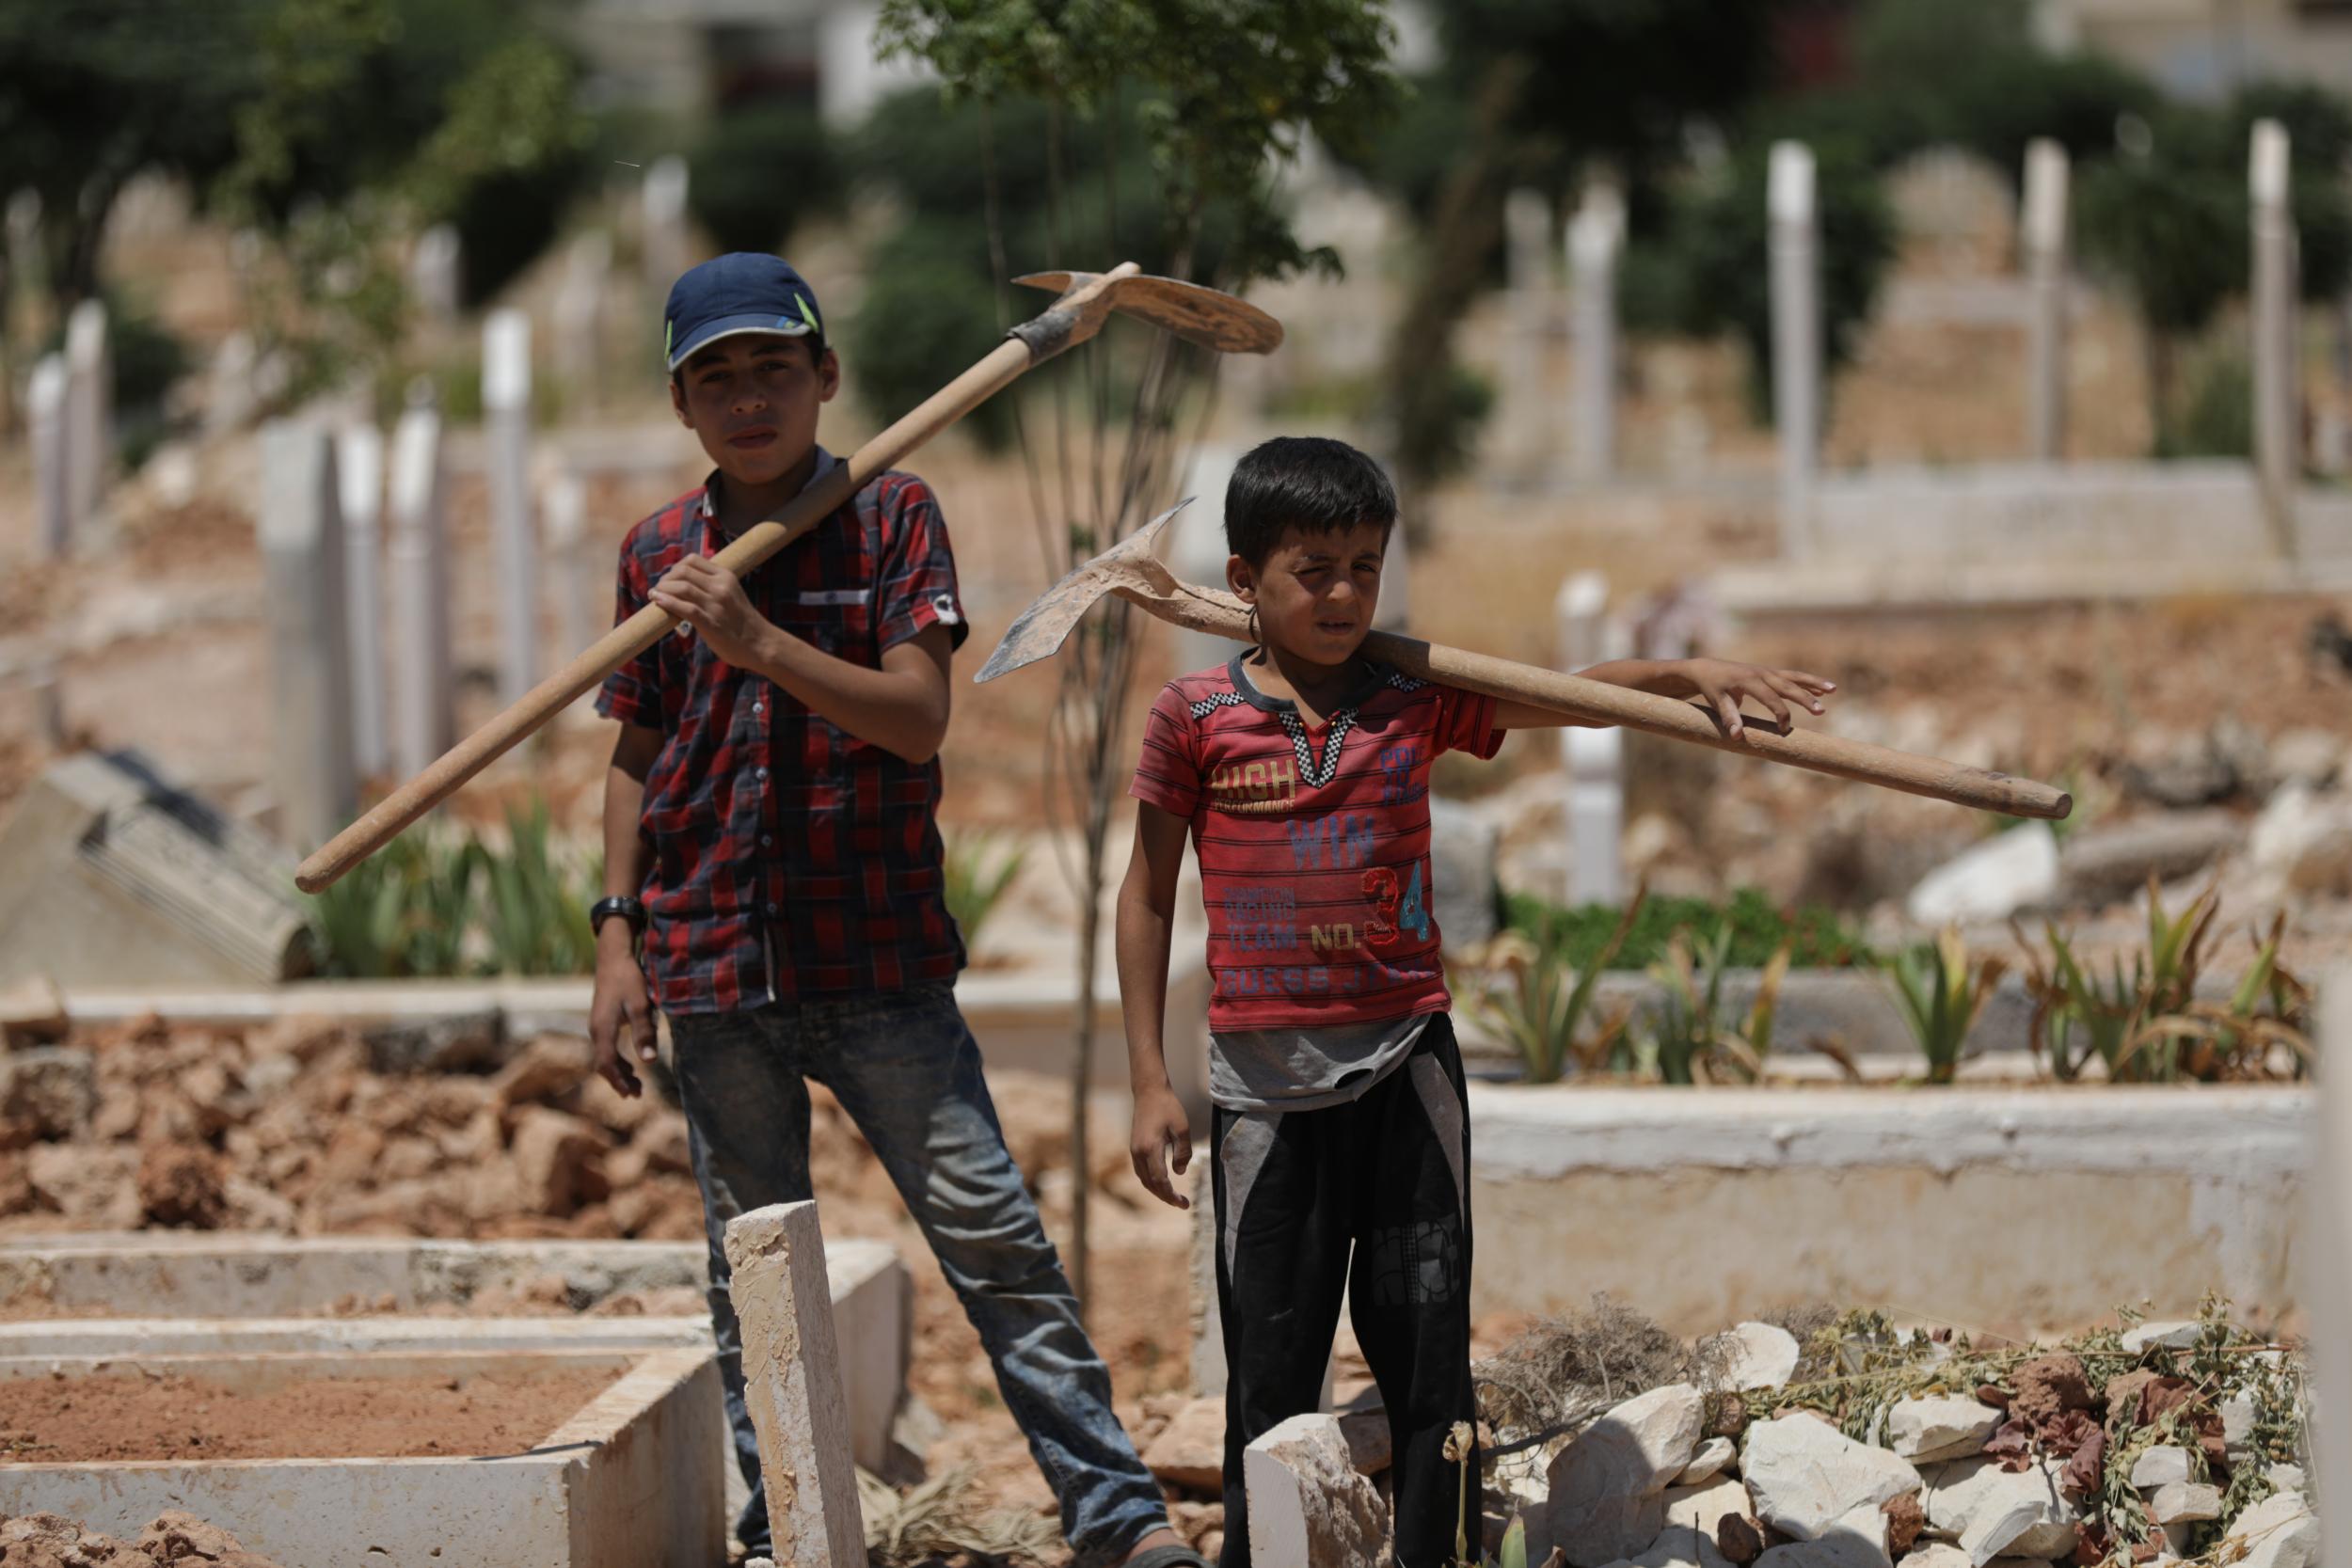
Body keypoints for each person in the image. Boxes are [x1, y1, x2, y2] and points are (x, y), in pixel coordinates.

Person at [1114, 436, 1836, 1568]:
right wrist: (1149, 1079)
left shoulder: (1416, 699)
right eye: (1315, 569)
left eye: (1366, 564)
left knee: (1428, 1371)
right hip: (1262, 1091)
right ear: (1245, 580)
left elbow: (1567, 701)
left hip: (1407, 1069)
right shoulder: (1195, 717)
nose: (1346, 592)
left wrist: (1683, 681)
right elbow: (1147, 891)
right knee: (1270, 1374)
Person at [587, 252, 1202, 1568]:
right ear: (684, 403)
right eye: (717, 377)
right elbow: (637, 757)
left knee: (994, 1236)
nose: (748, 397)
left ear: (826, 376)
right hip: (710, 964)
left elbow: (917, 720)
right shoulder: (655, 552)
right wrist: (614, 933)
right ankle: (785, 1531)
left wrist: (757, 641)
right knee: (750, 1267)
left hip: (877, 963)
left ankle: (1117, 1514)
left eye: (772, 367)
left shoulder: (890, 517)